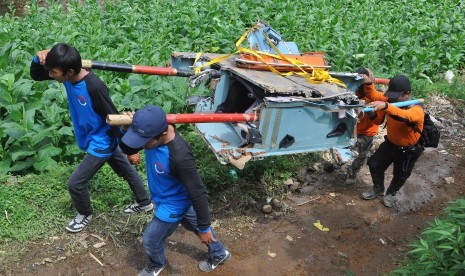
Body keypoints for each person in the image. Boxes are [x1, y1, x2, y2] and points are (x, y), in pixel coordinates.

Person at [29, 43, 153, 233]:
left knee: (75, 183)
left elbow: (114, 118)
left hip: (101, 142)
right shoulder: (67, 76)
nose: (51, 76)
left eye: (53, 72)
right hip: (95, 136)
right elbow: (37, 75)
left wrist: (132, 149)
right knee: (127, 171)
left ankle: (84, 214)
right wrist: (39, 59)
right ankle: (145, 203)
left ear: (69, 71)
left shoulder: (94, 88)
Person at [119, 104, 231, 276]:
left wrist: (205, 226)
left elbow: (197, 191)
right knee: (191, 223)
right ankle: (219, 252)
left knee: (150, 239)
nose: (142, 145)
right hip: (172, 197)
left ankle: (156, 264)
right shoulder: (151, 131)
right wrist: (127, 127)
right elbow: (129, 147)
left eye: (144, 142)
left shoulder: (179, 157)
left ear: (163, 133)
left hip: (173, 204)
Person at [361, 73, 425, 207]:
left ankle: (390, 194)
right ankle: (378, 188)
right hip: (390, 144)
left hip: (407, 151)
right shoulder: (391, 101)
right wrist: (368, 83)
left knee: (401, 175)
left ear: (407, 94)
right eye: (391, 96)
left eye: (396, 96)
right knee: (374, 164)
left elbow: (404, 116)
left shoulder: (416, 110)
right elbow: (374, 96)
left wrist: (385, 106)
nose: (392, 99)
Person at [345, 68, 385, 184]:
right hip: (352, 129)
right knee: (348, 151)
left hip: (367, 132)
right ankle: (345, 166)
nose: (359, 87)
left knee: (359, 155)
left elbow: (378, 121)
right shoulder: (353, 92)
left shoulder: (376, 96)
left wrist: (368, 109)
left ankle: (352, 174)